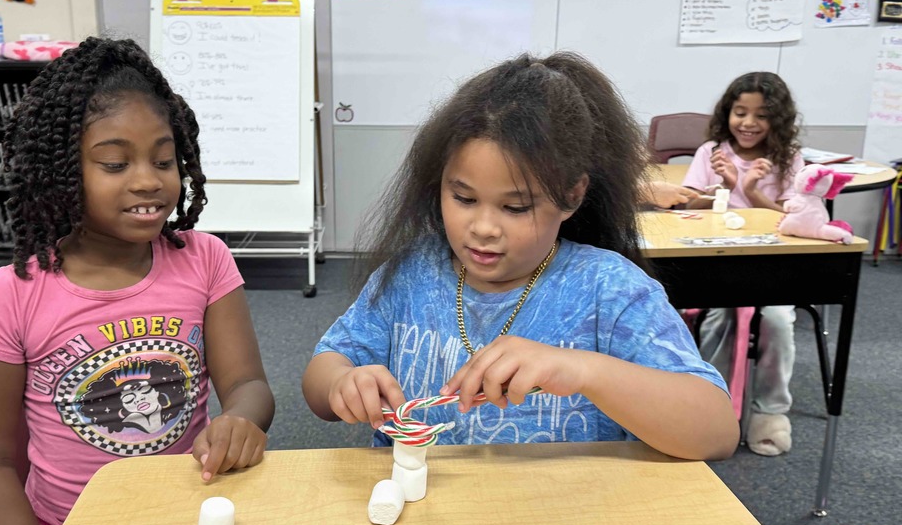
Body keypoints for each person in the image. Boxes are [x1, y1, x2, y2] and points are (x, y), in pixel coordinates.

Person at [0, 37, 275, 525]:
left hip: (191, 523)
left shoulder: (204, 261)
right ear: (60, 170)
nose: (148, 182)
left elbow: (249, 386)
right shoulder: (9, 296)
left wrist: (241, 419)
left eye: (164, 159)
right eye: (114, 163)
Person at [302, 52, 739, 461]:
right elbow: (322, 374)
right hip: (421, 521)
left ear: (571, 196)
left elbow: (716, 431)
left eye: (516, 208)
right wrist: (342, 382)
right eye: (463, 197)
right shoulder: (410, 276)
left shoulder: (609, 290)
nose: (484, 227)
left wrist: (585, 370)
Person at [681, 71, 805, 456]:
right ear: (727, 113)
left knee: (778, 322)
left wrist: (750, 191)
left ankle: (769, 412)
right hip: (720, 267)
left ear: (777, 120)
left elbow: (796, 217)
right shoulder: (712, 153)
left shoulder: (788, 159)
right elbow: (687, 201)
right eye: (740, 113)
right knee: (718, 318)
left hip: (772, 268)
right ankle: (712, 409)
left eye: (761, 115)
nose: (748, 124)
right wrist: (725, 187)